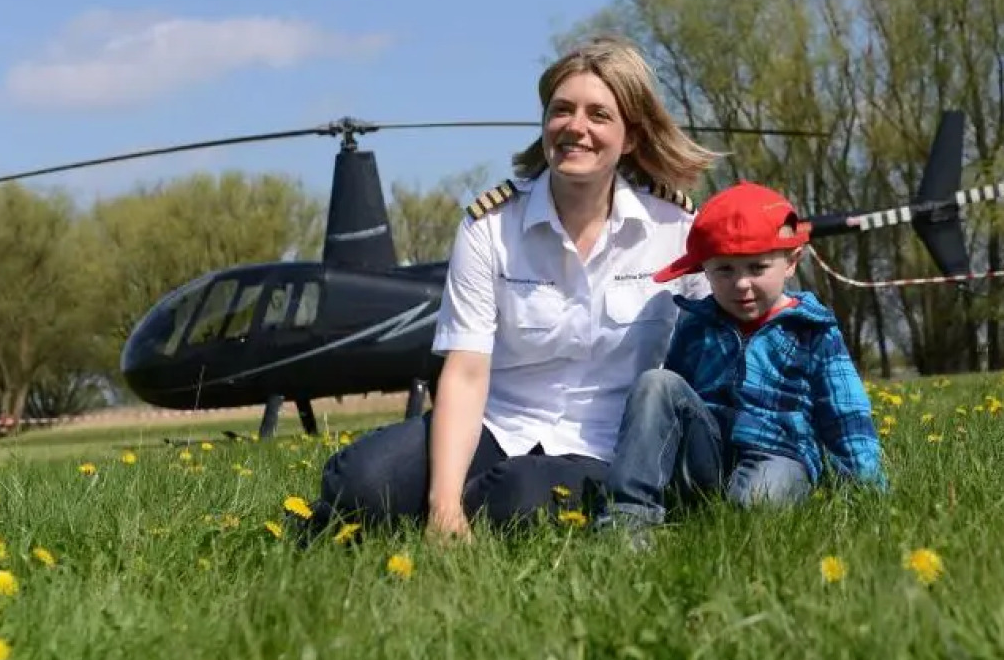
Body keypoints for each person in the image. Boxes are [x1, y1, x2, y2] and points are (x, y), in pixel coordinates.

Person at [302, 35, 720, 539]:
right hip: (500, 426)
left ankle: (466, 508)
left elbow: (709, 357)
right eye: (561, 110)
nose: (575, 128)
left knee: (515, 497)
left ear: (630, 137)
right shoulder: (490, 225)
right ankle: (429, 511)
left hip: (610, 442)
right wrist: (444, 504)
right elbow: (467, 370)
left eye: (598, 115)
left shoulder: (673, 226)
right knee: (362, 481)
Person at [590, 181, 888, 536]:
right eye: (724, 270)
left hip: (779, 454)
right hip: (707, 453)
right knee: (656, 383)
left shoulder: (812, 330)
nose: (741, 284)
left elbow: (845, 415)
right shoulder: (697, 323)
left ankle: (730, 517)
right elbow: (673, 408)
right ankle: (628, 519)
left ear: (792, 262)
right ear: (704, 270)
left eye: (757, 268)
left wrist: (867, 491)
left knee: (755, 507)